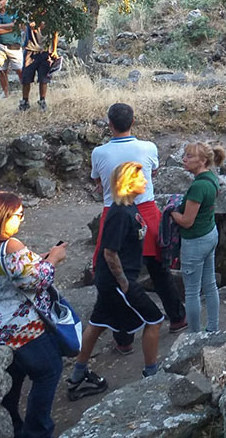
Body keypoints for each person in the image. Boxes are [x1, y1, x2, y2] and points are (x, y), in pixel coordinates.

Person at [0, 192, 67, 438]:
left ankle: (11, 426)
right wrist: (53, 259)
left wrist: (37, 260)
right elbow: (36, 281)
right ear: (2, 217)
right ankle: (37, 431)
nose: (22, 219)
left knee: (11, 379)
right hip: (21, 329)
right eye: (18, 215)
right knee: (48, 371)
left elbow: (9, 274)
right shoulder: (10, 245)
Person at [90, 103, 185, 353]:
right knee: (159, 269)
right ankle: (177, 317)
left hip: (114, 211)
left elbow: (98, 180)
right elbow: (153, 171)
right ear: (133, 121)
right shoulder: (148, 147)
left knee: (118, 271)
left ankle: (123, 338)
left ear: (109, 124)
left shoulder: (99, 152)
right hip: (147, 211)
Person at [69, 162, 163, 398]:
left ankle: (77, 374)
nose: (145, 181)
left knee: (98, 322)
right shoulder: (120, 213)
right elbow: (109, 252)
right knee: (155, 319)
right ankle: (152, 374)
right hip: (118, 282)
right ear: (128, 183)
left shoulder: (130, 207)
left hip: (112, 281)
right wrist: (124, 283)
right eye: (140, 178)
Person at [171, 141, 224, 333]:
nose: (184, 159)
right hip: (210, 234)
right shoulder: (211, 178)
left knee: (192, 291)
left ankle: (194, 335)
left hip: (195, 241)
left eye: (189, 156)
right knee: (210, 285)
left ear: (202, 161)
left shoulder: (198, 186)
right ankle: (213, 328)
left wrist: (171, 212)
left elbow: (186, 221)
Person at [19, 17, 59, 112]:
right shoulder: (29, 15)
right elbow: (21, 26)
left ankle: (42, 101)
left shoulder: (51, 16)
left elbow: (55, 32)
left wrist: (54, 50)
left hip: (45, 51)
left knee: (44, 78)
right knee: (26, 78)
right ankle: (25, 101)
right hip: (30, 50)